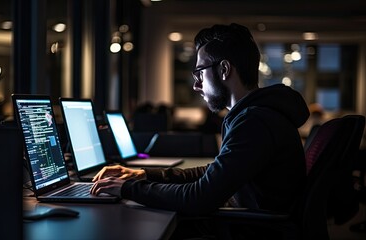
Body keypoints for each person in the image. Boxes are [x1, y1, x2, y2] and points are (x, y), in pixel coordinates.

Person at [91, 23, 310, 238]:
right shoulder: (254, 116)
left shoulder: (255, 122)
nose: (196, 85)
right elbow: (213, 173)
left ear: (224, 69)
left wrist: (128, 189)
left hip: (250, 229)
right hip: (246, 221)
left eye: (200, 73)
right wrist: (144, 175)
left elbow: (199, 197)